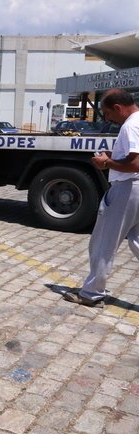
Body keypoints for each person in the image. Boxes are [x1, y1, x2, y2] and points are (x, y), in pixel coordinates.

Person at [63, 88, 139, 307]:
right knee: (136, 240)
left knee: (103, 242)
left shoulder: (130, 126)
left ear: (118, 107)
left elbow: (135, 164)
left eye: (108, 113)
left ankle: (92, 293)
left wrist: (106, 163)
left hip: (128, 188)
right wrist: (115, 156)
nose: (108, 119)